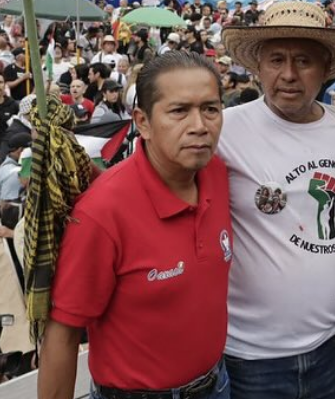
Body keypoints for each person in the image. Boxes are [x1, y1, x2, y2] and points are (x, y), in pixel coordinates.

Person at [38, 51, 232, 399]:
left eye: (210, 109)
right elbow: (63, 334)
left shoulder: (216, 173)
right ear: (142, 122)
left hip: (217, 384)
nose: (200, 125)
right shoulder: (102, 213)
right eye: (179, 111)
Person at [217, 1, 335, 399]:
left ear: (325, 68)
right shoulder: (226, 129)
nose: (288, 75)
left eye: (303, 60)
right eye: (276, 60)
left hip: (330, 352)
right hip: (251, 360)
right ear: (258, 67)